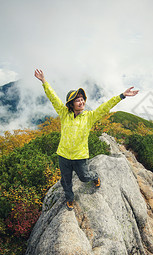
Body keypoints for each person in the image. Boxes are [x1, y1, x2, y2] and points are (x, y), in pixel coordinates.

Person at [34, 69, 139, 210]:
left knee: (84, 177)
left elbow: (104, 108)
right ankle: (70, 199)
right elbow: (53, 98)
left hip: (79, 156)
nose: (81, 102)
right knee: (66, 181)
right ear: (71, 104)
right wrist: (44, 81)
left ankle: (94, 176)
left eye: (82, 99)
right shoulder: (64, 113)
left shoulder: (89, 117)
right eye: (78, 100)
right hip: (63, 155)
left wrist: (121, 96)